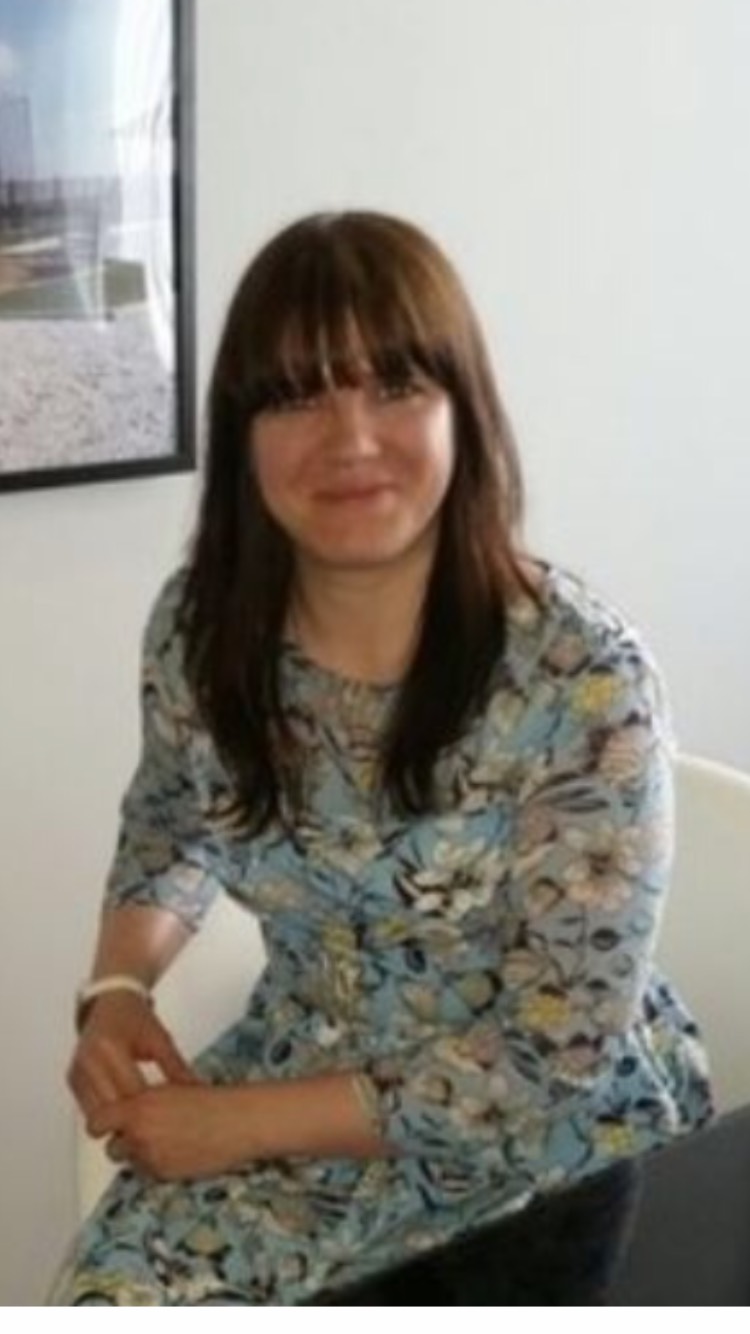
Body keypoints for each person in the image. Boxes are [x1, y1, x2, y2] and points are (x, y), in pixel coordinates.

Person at [50, 210, 712, 1305]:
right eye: (297, 396)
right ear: (242, 434)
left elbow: (552, 1058)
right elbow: (171, 824)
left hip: (541, 1148)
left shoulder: (582, 680)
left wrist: (230, 1126)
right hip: (303, 1073)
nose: (349, 439)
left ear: (464, 412)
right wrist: (118, 986)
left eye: (396, 385)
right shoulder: (201, 633)